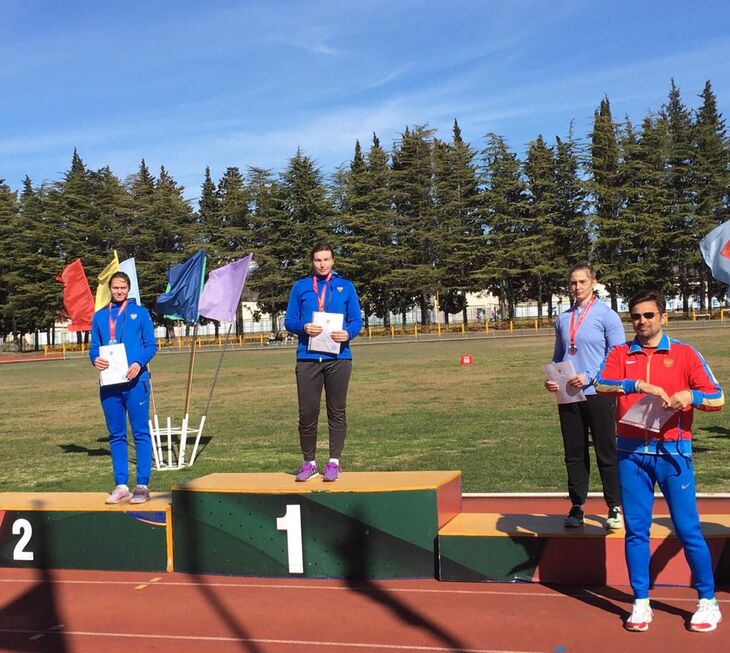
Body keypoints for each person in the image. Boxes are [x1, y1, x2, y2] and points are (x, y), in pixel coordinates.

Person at [596, 290, 724, 633]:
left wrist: (690, 395)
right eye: (636, 316)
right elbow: (601, 384)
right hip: (631, 455)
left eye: (649, 315)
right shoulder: (620, 353)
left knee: (687, 529)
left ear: (663, 317)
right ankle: (640, 600)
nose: (642, 321)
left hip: (673, 454)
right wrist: (637, 384)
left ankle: (707, 600)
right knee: (636, 530)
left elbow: (717, 397)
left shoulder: (685, 353)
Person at [545, 262, 625, 529]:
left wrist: (590, 375)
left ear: (593, 282)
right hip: (569, 394)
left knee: (606, 451)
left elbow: (616, 355)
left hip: (598, 392)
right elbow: (559, 355)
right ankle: (577, 505)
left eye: (582, 282)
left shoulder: (607, 316)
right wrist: (552, 378)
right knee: (574, 453)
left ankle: (614, 506)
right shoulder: (563, 318)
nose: (577, 287)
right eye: (573, 282)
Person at [284, 243, 362, 482]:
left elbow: (356, 320)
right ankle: (309, 463)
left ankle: (334, 462)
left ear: (333, 261)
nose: (322, 264)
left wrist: (348, 333)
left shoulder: (346, 287)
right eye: (318, 260)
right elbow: (289, 321)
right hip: (307, 358)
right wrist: (304, 327)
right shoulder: (301, 287)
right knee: (307, 413)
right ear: (312, 262)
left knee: (336, 411)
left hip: (338, 358)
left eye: (326, 259)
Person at [89, 271, 157, 504]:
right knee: (116, 435)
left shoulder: (141, 313)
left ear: (129, 289)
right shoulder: (100, 316)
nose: (119, 291)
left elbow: (151, 345)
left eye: (123, 288)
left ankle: (142, 485)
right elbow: (94, 348)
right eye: (115, 287)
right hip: (110, 384)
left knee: (140, 433)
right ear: (110, 289)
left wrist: (138, 363)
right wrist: (95, 359)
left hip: (136, 382)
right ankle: (120, 485)